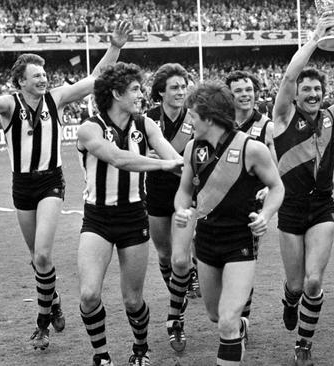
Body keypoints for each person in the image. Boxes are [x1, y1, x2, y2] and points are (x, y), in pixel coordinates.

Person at [0, 21, 132, 350]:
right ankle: (53, 300)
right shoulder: (10, 105)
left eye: (44, 74)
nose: (43, 79)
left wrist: (114, 47)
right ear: (21, 81)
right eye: (36, 76)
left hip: (50, 183)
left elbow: (96, 78)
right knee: (37, 259)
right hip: (22, 186)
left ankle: (42, 323)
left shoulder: (55, 99)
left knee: (42, 253)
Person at [77, 62, 183, 366]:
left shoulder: (146, 125)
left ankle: (140, 349)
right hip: (97, 219)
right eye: (135, 89)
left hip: (134, 217)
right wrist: (163, 165)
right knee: (88, 295)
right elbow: (116, 158)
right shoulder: (89, 128)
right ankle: (102, 356)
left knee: (133, 299)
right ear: (115, 93)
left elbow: (174, 159)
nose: (141, 94)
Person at [172, 81, 284, 365]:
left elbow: (277, 187)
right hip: (207, 241)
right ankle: (240, 327)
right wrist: (181, 210)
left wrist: (265, 215)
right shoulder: (192, 149)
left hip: (240, 242)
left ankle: (235, 326)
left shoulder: (251, 149)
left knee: (226, 321)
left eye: (193, 116)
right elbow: (185, 191)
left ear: (209, 117)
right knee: (214, 315)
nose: (189, 122)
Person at [272, 16, 334, 365]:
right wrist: (316, 39)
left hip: (322, 207)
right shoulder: (281, 118)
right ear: (297, 94)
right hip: (290, 209)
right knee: (295, 286)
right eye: (306, 90)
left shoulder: (331, 117)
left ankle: (304, 343)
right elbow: (290, 76)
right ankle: (289, 300)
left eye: (317, 90)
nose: (312, 94)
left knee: (312, 281)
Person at [143, 63, 197, 354]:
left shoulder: (196, 119)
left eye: (183, 86)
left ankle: (175, 316)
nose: (180, 92)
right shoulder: (147, 120)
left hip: (186, 194)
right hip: (156, 194)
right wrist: (146, 154)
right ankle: (180, 294)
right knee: (165, 255)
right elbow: (131, 155)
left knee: (180, 260)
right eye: (174, 87)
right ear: (161, 91)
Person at [225, 70, 277, 322]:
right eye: (239, 91)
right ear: (229, 95)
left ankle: (242, 320)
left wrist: (268, 188)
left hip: (251, 210)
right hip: (218, 206)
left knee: (244, 264)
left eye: (249, 90)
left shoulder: (266, 127)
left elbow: (276, 170)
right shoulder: (220, 124)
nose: (245, 95)